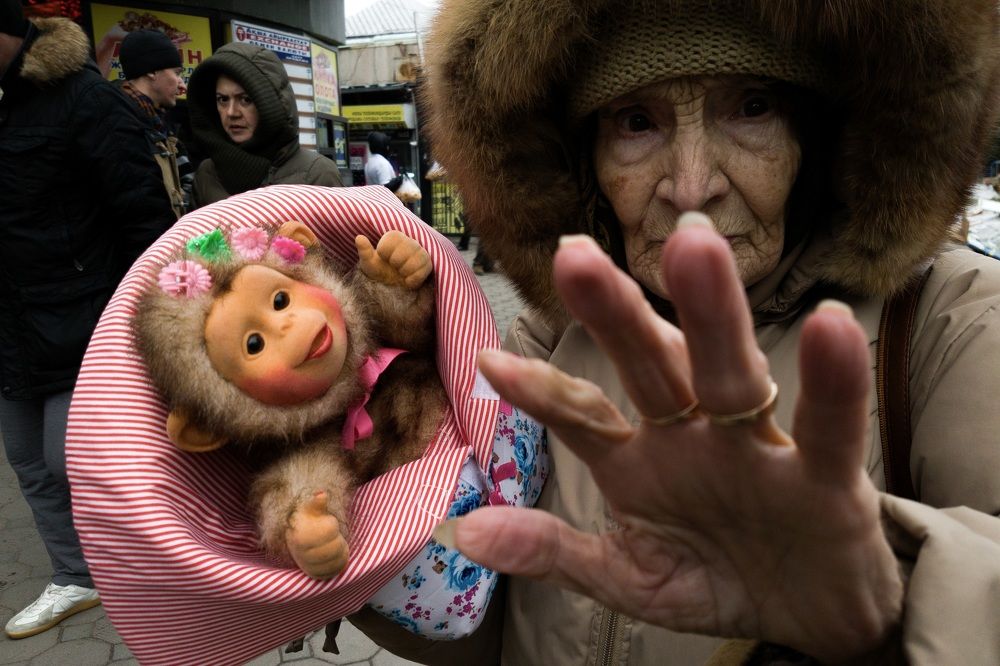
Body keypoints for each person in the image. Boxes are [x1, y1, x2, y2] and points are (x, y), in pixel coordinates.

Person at [348, 0, 1000, 664]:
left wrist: (885, 618)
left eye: (751, 109)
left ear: (820, 139)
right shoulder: (546, 345)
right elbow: (491, 627)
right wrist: (368, 531)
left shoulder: (952, 324)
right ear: (584, 162)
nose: (691, 188)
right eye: (637, 123)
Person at [0, 1, 176, 640]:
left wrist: (140, 322)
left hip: (84, 322)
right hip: (13, 327)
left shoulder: (86, 101)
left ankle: (158, 574)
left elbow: (144, 222)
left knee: (70, 458)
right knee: (26, 458)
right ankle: (74, 575)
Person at [185, 42, 343, 208]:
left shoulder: (317, 173)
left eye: (246, 100)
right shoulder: (206, 174)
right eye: (223, 100)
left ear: (271, 105)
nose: (232, 112)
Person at [116, 28, 192, 218]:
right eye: (176, 73)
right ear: (151, 71)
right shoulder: (120, 124)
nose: (182, 85)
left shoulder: (159, 124)